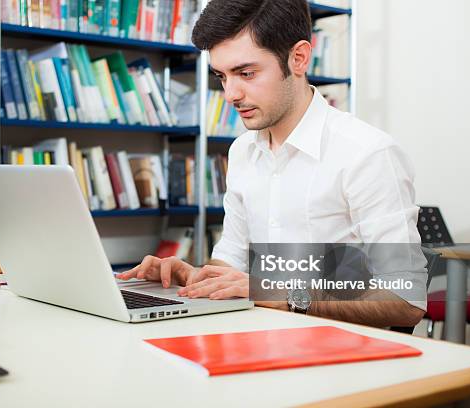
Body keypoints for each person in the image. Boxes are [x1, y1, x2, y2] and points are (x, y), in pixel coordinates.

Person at [117, 0, 427, 328]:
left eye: (246, 73)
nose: (230, 94)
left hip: (340, 356)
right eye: (222, 76)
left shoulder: (367, 153)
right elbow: (231, 264)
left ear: (298, 58)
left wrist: (285, 295)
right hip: (259, 338)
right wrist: (192, 276)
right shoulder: (241, 152)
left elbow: (405, 301)